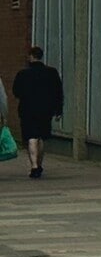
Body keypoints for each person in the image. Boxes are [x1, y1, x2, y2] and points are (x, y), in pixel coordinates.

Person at [12, 46, 62, 179]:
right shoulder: (52, 73)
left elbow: (16, 92)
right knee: (41, 137)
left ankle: (34, 165)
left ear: (31, 56)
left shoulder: (23, 74)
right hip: (46, 110)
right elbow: (58, 92)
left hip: (28, 110)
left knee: (31, 137)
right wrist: (58, 110)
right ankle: (39, 164)